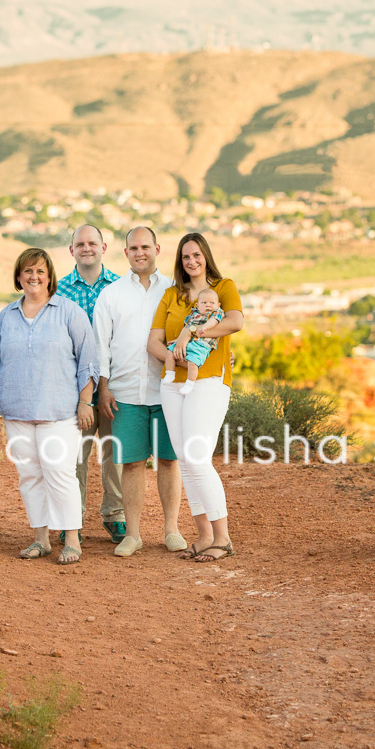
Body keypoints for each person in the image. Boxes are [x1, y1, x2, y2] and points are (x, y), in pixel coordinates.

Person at [0, 248, 98, 566]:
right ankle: (40, 539)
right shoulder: (6, 316)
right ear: (18, 277)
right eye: (28, 271)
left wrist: (85, 402)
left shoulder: (69, 311)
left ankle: (72, 540)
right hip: (17, 411)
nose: (34, 277)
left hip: (60, 411)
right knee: (30, 476)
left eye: (40, 271)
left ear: (50, 277)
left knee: (60, 473)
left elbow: (87, 361)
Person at [148, 232, 243, 562]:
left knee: (198, 458)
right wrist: (175, 355)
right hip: (172, 382)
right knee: (186, 462)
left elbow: (235, 321)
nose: (192, 261)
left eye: (197, 255)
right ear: (180, 260)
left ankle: (223, 538)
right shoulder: (171, 294)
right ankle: (204, 536)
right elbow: (154, 343)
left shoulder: (224, 288)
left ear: (206, 256)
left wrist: (198, 333)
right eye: (186, 256)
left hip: (210, 382)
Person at [92, 226, 186, 558]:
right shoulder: (111, 295)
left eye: (145, 246)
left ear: (157, 249)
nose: (140, 252)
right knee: (131, 464)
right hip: (125, 392)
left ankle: (171, 530)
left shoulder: (175, 292)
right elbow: (100, 347)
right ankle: (132, 534)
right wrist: (103, 389)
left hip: (168, 391)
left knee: (168, 461)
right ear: (125, 253)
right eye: (133, 248)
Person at [56, 224, 125, 543]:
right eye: (80, 244)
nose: (86, 248)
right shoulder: (58, 290)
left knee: (116, 454)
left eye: (92, 243)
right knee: (75, 457)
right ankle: (73, 518)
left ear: (104, 247)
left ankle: (115, 515)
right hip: (74, 389)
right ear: (71, 250)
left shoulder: (120, 288)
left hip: (115, 386)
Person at [162, 288, 224, 395]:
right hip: (187, 342)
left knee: (193, 362)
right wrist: (179, 339)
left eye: (212, 303)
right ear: (197, 305)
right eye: (204, 303)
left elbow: (214, 321)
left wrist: (204, 327)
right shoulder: (193, 314)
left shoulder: (216, 312)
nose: (208, 305)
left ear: (218, 305)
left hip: (202, 344)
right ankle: (170, 373)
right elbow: (186, 327)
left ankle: (190, 383)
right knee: (169, 352)